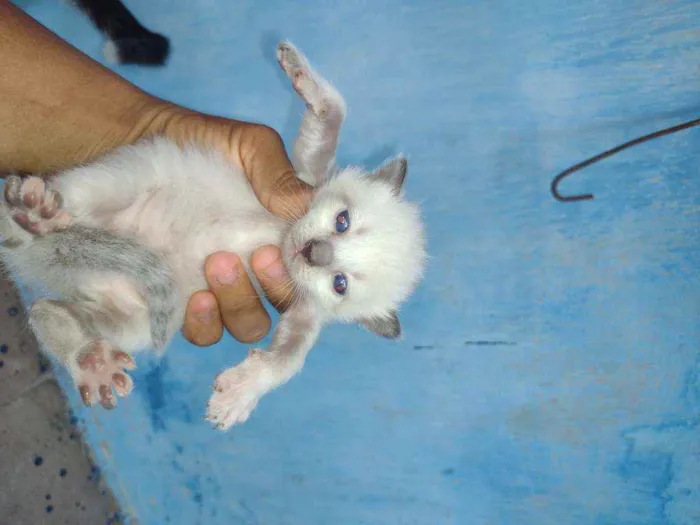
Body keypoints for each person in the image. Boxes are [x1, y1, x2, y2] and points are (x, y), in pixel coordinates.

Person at [0, 1, 312, 346]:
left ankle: (87, 329)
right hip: (139, 197)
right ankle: (48, 226)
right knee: (111, 213)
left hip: (128, 226)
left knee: (142, 311)